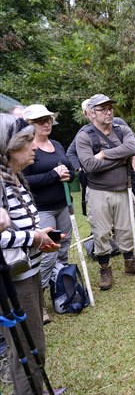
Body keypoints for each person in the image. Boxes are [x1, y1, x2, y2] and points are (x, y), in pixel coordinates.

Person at [0, 113, 64, 394]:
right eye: (27, 141)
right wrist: (32, 237)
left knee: (30, 345)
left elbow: (23, 226)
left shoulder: (15, 178)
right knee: (28, 346)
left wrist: (42, 238)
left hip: (30, 271)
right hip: (16, 280)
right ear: (9, 148)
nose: (35, 146)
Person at [75, 94, 135, 291]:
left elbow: (132, 147)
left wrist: (104, 154)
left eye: (110, 108)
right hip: (98, 192)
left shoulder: (121, 129)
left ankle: (130, 264)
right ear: (92, 113)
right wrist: (120, 158)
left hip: (122, 189)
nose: (109, 112)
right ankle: (105, 268)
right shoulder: (85, 135)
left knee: (126, 229)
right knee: (100, 232)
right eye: (103, 109)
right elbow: (90, 165)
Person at [66, 99, 135, 248]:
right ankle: (113, 242)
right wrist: (81, 168)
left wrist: (130, 159)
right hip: (99, 182)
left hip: (127, 176)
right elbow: (71, 153)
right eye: (86, 113)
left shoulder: (118, 124)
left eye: (108, 109)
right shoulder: (85, 132)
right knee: (103, 217)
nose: (89, 115)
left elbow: (133, 145)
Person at [21, 104, 75, 325]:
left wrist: (67, 176)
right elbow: (25, 181)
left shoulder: (57, 144)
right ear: (29, 125)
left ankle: (61, 292)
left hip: (63, 206)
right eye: (40, 120)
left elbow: (71, 171)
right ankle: (39, 303)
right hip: (42, 210)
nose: (46, 123)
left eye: (48, 119)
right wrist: (53, 175)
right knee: (48, 254)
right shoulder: (26, 149)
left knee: (64, 250)